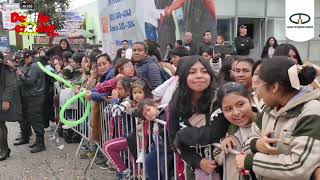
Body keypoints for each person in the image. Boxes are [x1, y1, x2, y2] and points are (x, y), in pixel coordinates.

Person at [236, 56, 320, 180]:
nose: (257, 92)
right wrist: (257, 144)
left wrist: (251, 162)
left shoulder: (310, 111)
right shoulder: (268, 110)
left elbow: (300, 165)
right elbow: (247, 143)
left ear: (274, 87)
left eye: (258, 86)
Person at [169, 56, 229, 179]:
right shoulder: (177, 101)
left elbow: (216, 133)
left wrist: (183, 135)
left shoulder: (220, 98)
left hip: (224, 168)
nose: (199, 76)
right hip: (194, 169)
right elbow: (173, 139)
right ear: (183, 76)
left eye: (204, 71)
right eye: (192, 72)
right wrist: (198, 162)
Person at [214, 82, 257, 180]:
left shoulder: (266, 124)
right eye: (228, 109)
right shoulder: (230, 130)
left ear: (250, 100)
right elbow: (218, 158)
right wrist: (223, 143)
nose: (236, 112)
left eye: (240, 104)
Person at [14, 50, 46, 153]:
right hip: (32, 96)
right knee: (33, 118)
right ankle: (38, 141)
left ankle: (41, 144)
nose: (24, 61)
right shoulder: (33, 65)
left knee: (36, 119)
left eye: (25, 59)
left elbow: (30, 81)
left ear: (30, 57)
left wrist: (20, 74)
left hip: (35, 96)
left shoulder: (34, 66)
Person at [0, 52, 22, 161]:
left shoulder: (6, 68)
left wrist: (6, 99)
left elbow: (10, 84)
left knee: (0, 125)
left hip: (2, 98)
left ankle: (4, 149)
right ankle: (4, 149)